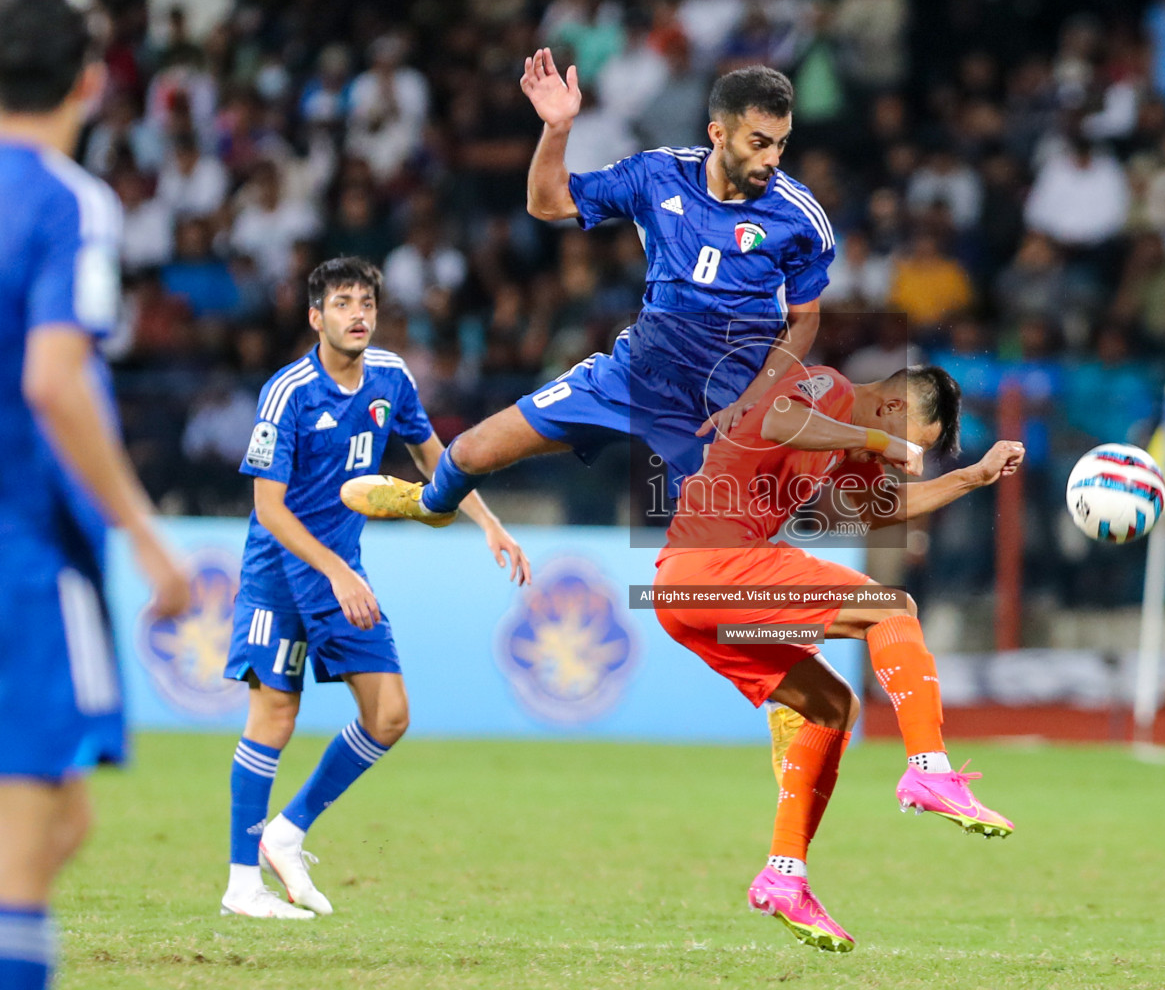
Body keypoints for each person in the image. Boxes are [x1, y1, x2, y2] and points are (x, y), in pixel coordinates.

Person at [343, 52, 831, 523]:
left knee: (711, 567)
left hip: (718, 403)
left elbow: (804, 320)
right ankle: (430, 507)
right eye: (759, 142)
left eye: (781, 144)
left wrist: (752, 401)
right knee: (469, 451)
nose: (772, 159)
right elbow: (549, 203)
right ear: (718, 134)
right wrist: (557, 129)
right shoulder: (659, 175)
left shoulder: (799, 216)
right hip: (633, 374)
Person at [653, 362, 1022, 951]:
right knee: (892, 606)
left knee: (832, 708)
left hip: (688, 594)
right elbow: (780, 417)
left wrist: (973, 478)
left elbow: (878, 510)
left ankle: (784, 877)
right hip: (715, 564)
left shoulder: (843, 444)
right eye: (910, 442)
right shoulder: (829, 386)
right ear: (895, 407)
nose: (901, 457)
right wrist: (878, 441)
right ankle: (930, 771)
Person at [220, 258, 529, 919]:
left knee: (389, 715)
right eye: (341, 302)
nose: (357, 313)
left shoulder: (390, 376)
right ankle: (242, 884)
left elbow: (432, 459)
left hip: (340, 570)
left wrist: (488, 523)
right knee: (273, 715)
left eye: (366, 302)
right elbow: (269, 509)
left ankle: (288, 831)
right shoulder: (288, 392)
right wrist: (335, 569)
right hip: (282, 570)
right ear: (315, 317)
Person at [0, 0, 191, 987]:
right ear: (89, 79)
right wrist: (143, 531)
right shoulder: (72, 203)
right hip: (25, 553)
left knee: (59, 816)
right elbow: (53, 379)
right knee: (30, 846)